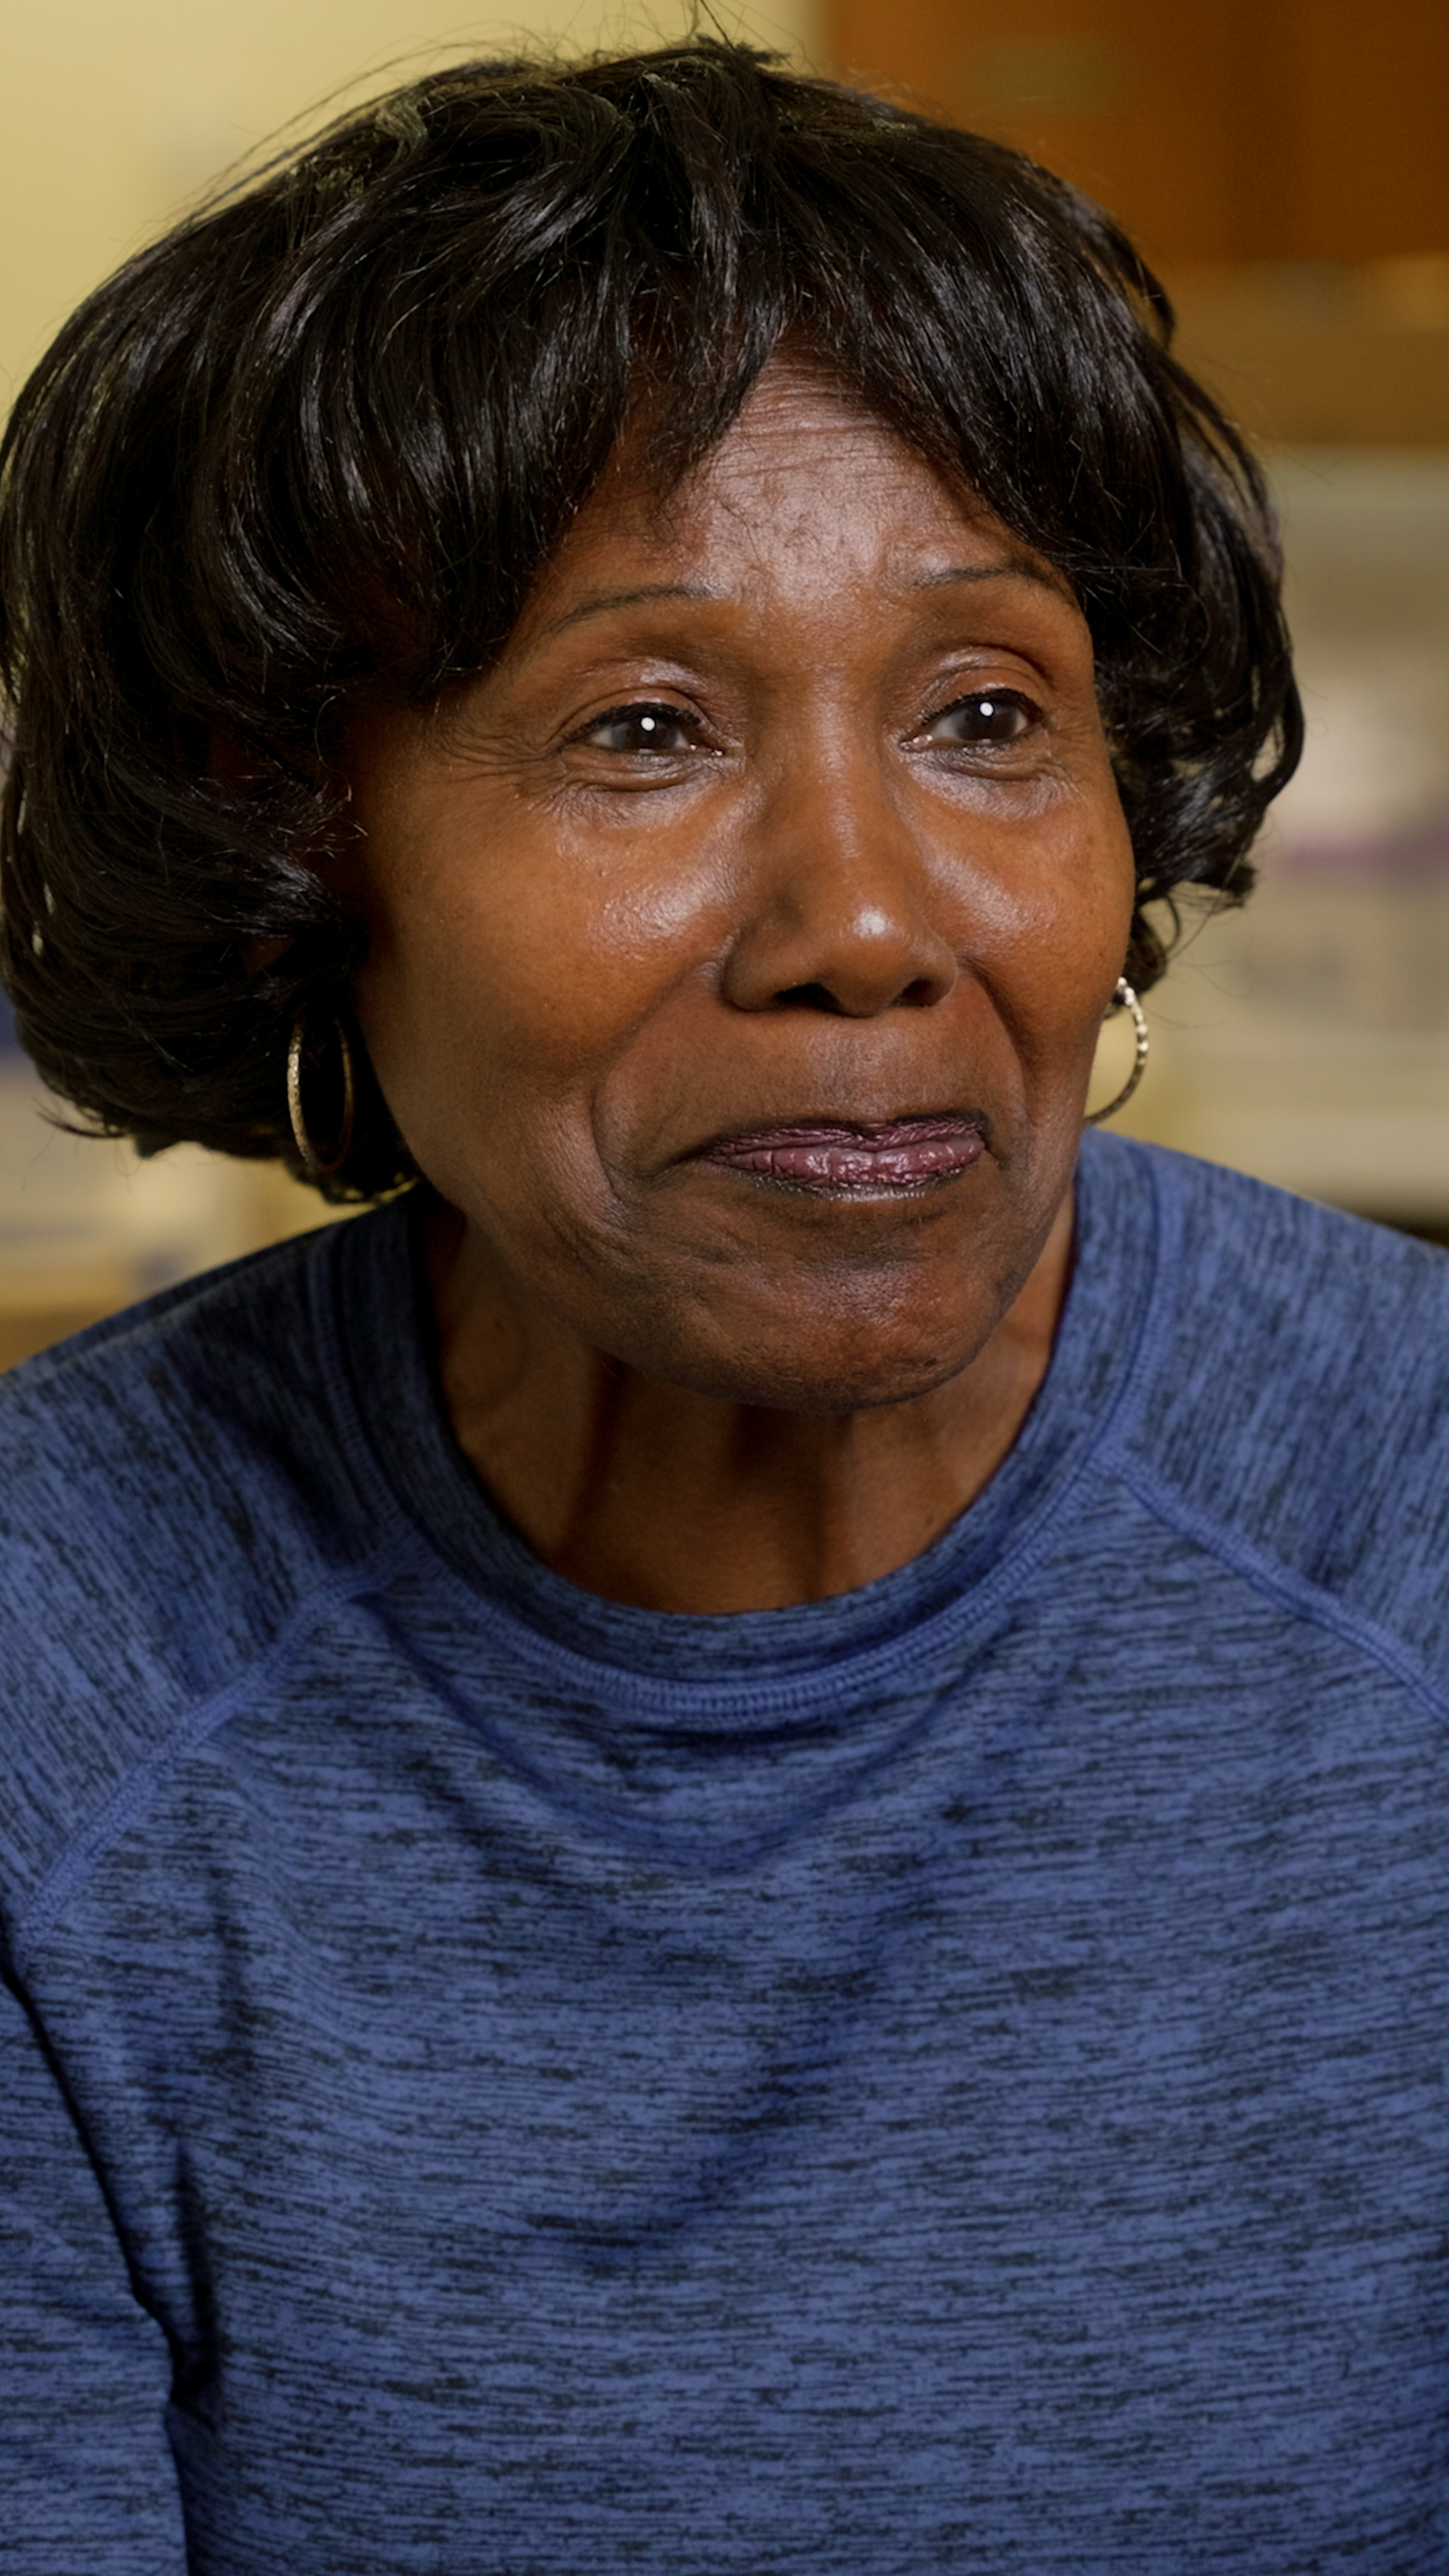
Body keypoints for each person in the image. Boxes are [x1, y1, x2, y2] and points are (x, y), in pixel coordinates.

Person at [2, 38, 1448, 2573]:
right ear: (296, 846)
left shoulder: (1407, 1528)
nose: (871, 923)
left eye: (991, 716)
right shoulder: (63, 1674)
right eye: (644, 729)